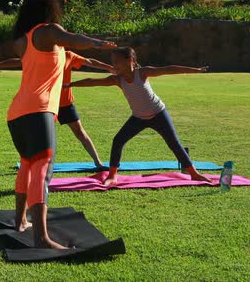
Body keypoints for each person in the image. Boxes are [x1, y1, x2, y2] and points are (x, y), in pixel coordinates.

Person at [6, 0, 116, 249]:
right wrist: (98, 43)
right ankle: (42, 238)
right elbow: (71, 37)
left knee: (27, 165)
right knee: (42, 169)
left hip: (17, 113)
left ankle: (20, 222)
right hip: (39, 110)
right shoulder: (49, 31)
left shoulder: (22, 40)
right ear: (50, 9)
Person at [66, 47, 212, 186]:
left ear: (129, 60)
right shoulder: (118, 79)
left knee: (174, 143)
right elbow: (92, 82)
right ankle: (112, 176)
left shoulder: (142, 73)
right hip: (138, 118)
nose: (113, 64)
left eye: (117, 61)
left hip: (159, 114)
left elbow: (168, 69)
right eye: (113, 61)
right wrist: (70, 84)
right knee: (118, 140)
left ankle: (194, 173)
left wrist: (195, 70)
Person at [0, 51, 115, 171]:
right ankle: (30, 163)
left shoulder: (68, 55)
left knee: (80, 132)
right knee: (39, 137)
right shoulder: (41, 56)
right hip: (46, 105)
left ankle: (98, 163)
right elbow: (19, 60)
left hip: (65, 103)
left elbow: (90, 61)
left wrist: (108, 67)